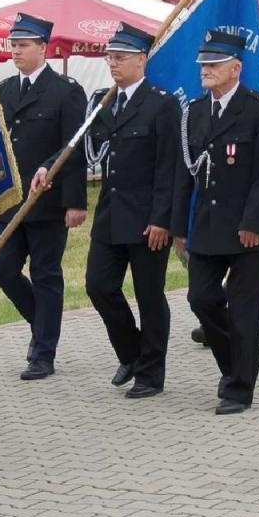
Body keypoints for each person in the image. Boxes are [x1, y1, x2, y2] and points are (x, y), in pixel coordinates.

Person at [36, 22, 178, 396]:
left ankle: (151, 374)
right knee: (99, 287)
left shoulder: (162, 104)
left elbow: (170, 167)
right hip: (112, 215)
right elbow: (78, 146)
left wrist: (162, 219)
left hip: (148, 218)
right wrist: (46, 166)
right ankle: (132, 354)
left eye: (121, 57)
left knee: (149, 296)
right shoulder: (102, 100)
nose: (113, 64)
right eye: (110, 57)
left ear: (141, 60)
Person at [172, 29, 259, 413]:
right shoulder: (195, 112)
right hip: (206, 224)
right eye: (203, 63)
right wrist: (178, 228)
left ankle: (239, 388)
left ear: (235, 68)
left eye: (214, 63)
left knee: (245, 310)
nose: (206, 69)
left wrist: (253, 221)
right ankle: (232, 365)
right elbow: (183, 173)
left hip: (247, 226)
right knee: (201, 298)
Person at [0, 14, 86, 381]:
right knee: (1, 267)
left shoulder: (65, 90)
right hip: (9, 201)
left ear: (42, 48)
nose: (16, 51)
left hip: (47, 202)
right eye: (13, 45)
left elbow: (74, 147)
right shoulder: (3, 91)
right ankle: (44, 322)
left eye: (24, 45)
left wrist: (75, 202)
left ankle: (42, 352)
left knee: (45, 274)